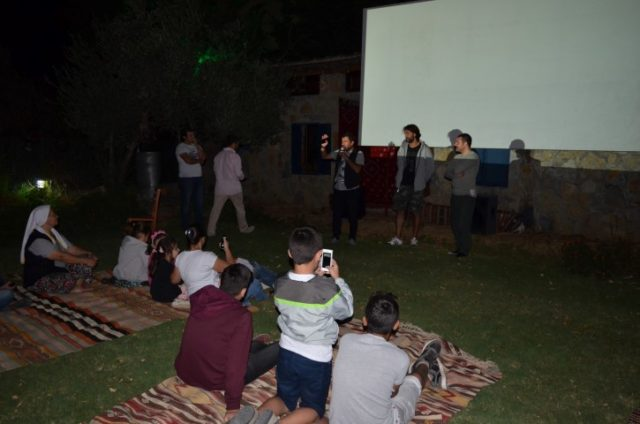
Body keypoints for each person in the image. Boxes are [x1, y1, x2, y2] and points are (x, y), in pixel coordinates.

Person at [247, 227, 354, 424]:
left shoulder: (280, 284)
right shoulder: (326, 289)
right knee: (312, 409)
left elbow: (301, 293)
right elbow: (346, 311)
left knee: (283, 399)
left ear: (290, 253)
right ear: (320, 255)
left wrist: (317, 279)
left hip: (287, 352)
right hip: (315, 358)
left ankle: (254, 420)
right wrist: (338, 279)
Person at [175, 264, 279, 422]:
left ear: (221, 281)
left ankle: (259, 346)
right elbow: (235, 366)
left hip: (187, 370)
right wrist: (232, 405)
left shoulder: (202, 296)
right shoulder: (241, 317)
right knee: (281, 348)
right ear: (243, 291)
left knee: (252, 347)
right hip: (214, 377)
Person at [327, 292, 444, 424]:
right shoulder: (400, 358)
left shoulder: (346, 341)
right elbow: (393, 394)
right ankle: (425, 364)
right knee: (410, 385)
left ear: (364, 321)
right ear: (396, 325)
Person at [21, 205, 97, 293]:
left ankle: (77, 286)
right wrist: (85, 260)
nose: (57, 216)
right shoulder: (38, 240)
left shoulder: (54, 233)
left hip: (56, 270)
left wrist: (88, 254)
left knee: (85, 261)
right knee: (73, 275)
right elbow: (61, 257)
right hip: (39, 278)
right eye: (53, 215)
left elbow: (72, 249)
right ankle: (73, 285)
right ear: (45, 219)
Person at [388, 124, 435, 247]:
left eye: (408, 133)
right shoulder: (403, 147)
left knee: (416, 211)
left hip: (417, 186)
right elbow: (399, 164)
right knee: (400, 210)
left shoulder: (425, 149)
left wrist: (422, 181)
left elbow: (430, 168)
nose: (406, 136)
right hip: (403, 184)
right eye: (405, 133)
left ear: (414, 134)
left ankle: (414, 237)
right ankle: (398, 237)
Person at [320, 133, 365, 245]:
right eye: (342, 141)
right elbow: (325, 157)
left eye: (345, 141)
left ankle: (352, 238)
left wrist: (347, 158)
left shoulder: (358, 153)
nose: (343, 143)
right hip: (338, 189)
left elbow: (358, 169)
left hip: (352, 189)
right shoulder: (339, 152)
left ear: (352, 142)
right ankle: (336, 236)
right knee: (337, 214)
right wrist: (323, 147)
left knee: (352, 214)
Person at [207, 135, 255, 237]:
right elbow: (238, 173)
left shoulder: (218, 156)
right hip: (234, 188)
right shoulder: (235, 156)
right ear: (233, 144)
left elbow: (215, 171)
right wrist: (243, 177)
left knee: (216, 209)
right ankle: (243, 228)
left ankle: (210, 230)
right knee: (240, 209)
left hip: (220, 187)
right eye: (237, 144)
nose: (238, 146)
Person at [173, 225, 234, 296]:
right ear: (202, 239)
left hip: (195, 301)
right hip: (214, 298)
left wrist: (177, 263)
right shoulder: (207, 257)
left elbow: (175, 280)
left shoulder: (180, 257)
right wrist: (227, 249)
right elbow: (233, 270)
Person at [445, 133, 480, 257]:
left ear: (465, 143)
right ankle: (459, 248)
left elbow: (455, 170)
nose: (454, 144)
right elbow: (447, 173)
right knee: (455, 223)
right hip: (456, 193)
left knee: (463, 223)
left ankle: (464, 250)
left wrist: (454, 170)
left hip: (467, 195)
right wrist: (455, 172)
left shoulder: (473, 157)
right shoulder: (456, 157)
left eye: (457, 142)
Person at [176, 129, 206, 230]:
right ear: (184, 137)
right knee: (186, 203)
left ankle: (199, 225)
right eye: (190, 135)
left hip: (198, 177)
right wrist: (198, 160)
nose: (192, 137)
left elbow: (203, 159)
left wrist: (197, 145)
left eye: (193, 135)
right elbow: (188, 160)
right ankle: (185, 225)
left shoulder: (196, 146)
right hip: (186, 179)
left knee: (199, 202)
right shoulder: (181, 147)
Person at [112, 223, 150, 287]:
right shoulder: (142, 247)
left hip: (119, 273)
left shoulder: (126, 242)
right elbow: (149, 264)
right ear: (144, 235)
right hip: (132, 277)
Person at [149, 235, 183, 303]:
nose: (179, 250)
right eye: (176, 249)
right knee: (183, 289)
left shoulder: (160, 262)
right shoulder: (168, 266)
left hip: (155, 294)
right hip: (164, 295)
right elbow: (177, 281)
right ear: (168, 252)